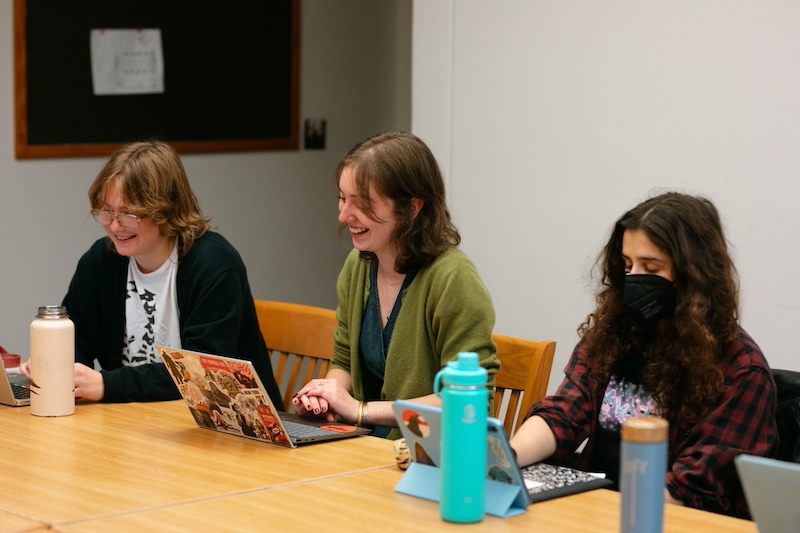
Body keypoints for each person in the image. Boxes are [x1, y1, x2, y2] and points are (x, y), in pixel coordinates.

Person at [510, 192, 779, 518]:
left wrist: (602, 513)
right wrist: (504, 458)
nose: (634, 278)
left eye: (651, 267)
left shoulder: (740, 370)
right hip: (598, 512)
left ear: (693, 275)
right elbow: (564, 414)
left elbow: (690, 489)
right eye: (626, 265)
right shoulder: (613, 334)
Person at [24, 140, 282, 407]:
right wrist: (54, 364)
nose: (114, 226)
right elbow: (77, 339)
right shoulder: (102, 260)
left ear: (165, 210)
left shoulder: (213, 264)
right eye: (107, 212)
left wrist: (107, 384)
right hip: (138, 422)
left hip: (229, 424)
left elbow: (203, 373)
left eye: (128, 214)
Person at [292, 131, 500, 439]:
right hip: (365, 448)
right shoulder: (358, 265)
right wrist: (327, 394)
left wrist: (359, 410)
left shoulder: (453, 279)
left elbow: (467, 401)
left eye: (360, 203)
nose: (344, 214)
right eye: (342, 198)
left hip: (428, 457)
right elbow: (344, 360)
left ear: (411, 210)